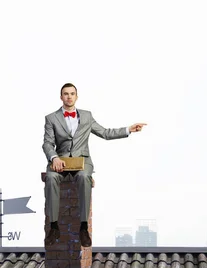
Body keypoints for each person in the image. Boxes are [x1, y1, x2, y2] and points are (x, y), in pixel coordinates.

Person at [42, 83, 146, 247]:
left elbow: (105, 133)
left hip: (83, 161)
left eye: (72, 93)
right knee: (50, 178)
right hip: (61, 162)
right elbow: (47, 143)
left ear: (77, 96)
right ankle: (54, 226)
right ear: (61, 97)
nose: (69, 96)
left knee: (84, 177)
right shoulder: (51, 118)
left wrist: (128, 129)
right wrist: (54, 157)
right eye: (66, 94)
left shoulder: (87, 116)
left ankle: (83, 227)